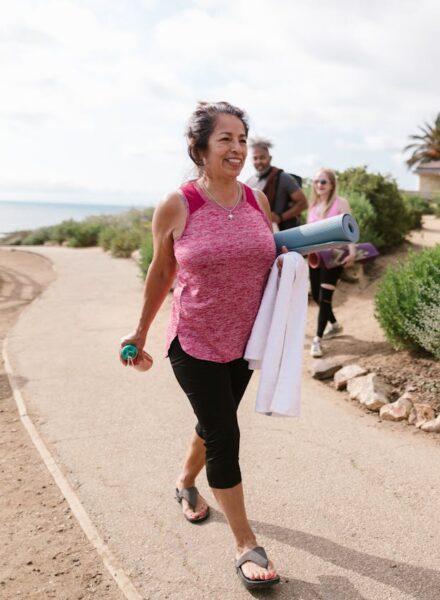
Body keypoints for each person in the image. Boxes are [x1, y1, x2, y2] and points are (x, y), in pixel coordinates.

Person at [119, 102, 285, 589]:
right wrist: (141, 330)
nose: (237, 149)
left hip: (245, 341)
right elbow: (162, 271)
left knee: (212, 423)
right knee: (224, 432)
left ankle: (185, 482)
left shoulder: (258, 202)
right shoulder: (179, 203)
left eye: (242, 139)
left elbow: (271, 255)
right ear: (200, 148)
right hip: (193, 340)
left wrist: (297, 264)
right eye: (225, 140)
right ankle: (244, 543)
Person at [307, 168, 356, 358]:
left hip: (336, 257)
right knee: (319, 298)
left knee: (325, 297)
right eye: (317, 181)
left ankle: (317, 340)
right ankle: (335, 325)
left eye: (323, 182)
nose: (319, 185)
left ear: (332, 184)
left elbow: (351, 228)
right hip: (316, 258)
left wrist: (352, 252)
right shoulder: (312, 207)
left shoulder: (340, 203)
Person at [245, 137, 308, 230]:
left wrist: (280, 217)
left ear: (270, 158)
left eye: (262, 157)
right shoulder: (249, 182)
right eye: (255, 158)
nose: (259, 161)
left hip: (283, 233)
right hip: (259, 232)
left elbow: (303, 203)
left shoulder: (283, 177)